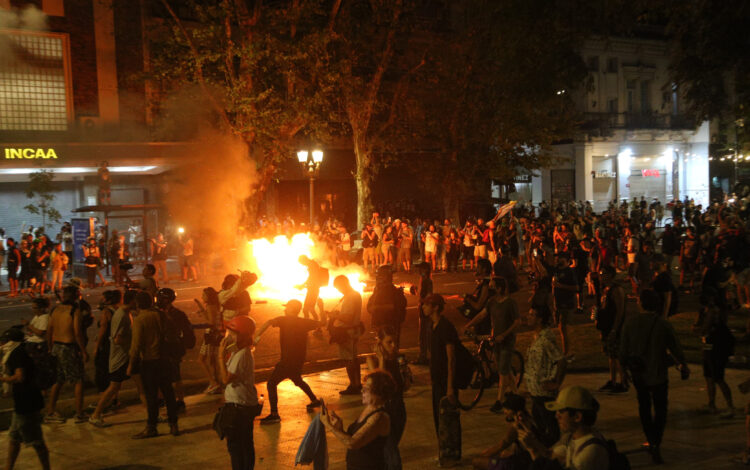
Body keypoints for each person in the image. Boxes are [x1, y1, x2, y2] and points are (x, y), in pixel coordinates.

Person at [619, 289, 689, 464]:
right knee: (660, 408)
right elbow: (675, 347)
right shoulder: (662, 324)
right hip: (658, 372)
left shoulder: (631, 323)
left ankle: (651, 438)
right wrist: (683, 364)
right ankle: (656, 439)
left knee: (644, 406)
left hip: (639, 373)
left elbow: (623, 352)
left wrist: (623, 373)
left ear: (641, 303)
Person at [254, 299, 323, 424]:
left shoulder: (284, 320)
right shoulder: (304, 322)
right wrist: (322, 308)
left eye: (287, 307)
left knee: (271, 384)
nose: (285, 309)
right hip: (298, 359)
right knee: (297, 379)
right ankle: (314, 401)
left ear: (291, 309)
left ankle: (274, 414)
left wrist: (256, 338)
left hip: (287, 360)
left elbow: (268, 322)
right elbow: (322, 323)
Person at [517, 386, 610, 470]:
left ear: (577, 417)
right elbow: (550, 455)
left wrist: (532, 450)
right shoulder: (572, 437)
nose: (556, 416)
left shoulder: (591, 451)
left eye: (561, 411)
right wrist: (532, 439)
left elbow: (544, 464)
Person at [464, 278, 521, 412]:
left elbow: (517, 322)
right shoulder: (492, 302)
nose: (491, 289)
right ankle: (516, 395)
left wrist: (504, 335)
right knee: (504, 369)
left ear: (500, 288)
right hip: (495, 341)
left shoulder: (510, 303)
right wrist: (469, 325)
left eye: (493, 287)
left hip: (507, 342)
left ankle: (499, 400)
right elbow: (482, 315)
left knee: (502, 371)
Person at [128, 291, 179, 438]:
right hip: (164, 360)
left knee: (151, 396)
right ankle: (173, 424)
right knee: (169, 393)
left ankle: (151, 427)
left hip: (149, 362)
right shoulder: (161, 315)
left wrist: (131, 365)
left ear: (138, 304)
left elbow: (136, 345)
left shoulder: (140, 320)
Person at [322, 370, 394, 470]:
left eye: (366, 389)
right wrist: (340, 429)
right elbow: (357, 438)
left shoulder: (379, 417)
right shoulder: (369, 409)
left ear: (379, 392)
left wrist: (328, 425)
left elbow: (353, 443)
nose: (361, 391)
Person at [1, 327, 51, 470]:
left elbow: (19, 377)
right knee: (14, 438)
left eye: (4, 341)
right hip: (23, 401)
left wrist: (3, 379)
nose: (2, 344)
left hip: (27, 403)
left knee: (36, 441)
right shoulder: (18, 351)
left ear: (12, 341)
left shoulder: (16, 354)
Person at [89, 289, 138, 427]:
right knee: (114, 385)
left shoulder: (119, 312)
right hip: (120, 355)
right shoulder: (120, 313)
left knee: (138, 384)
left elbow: (106, 332)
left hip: (120, 353)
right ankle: (97, 413)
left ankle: (153, 416)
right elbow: (116, 338)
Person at [424, 293, 462, 467]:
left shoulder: (446, 327)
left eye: (427, 304)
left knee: (449, 420)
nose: (423, 307)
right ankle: (443, 453)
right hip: (436, 381)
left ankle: (452, 456)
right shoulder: (432, 326)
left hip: (446, 382)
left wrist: (450, 387)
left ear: (436, 307)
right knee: (438, 420)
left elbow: (452, 359)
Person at [219, 315, 259, 470]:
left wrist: (219, 356)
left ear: (240, 335)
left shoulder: (242, 354)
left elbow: (225, 379)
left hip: (240, 407)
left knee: (237, 446)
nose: (227, 336)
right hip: (239, 404)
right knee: (242, 444)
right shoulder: (240, 352)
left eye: (231, 333)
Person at [44, 285, 89, 424]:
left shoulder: (55, 310)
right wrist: (83, 351)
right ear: (76, 296)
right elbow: (77, 333)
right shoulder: (74, 311)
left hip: (56, 347)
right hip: (69, 348)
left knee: (58, 380)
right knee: (78, 380)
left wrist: (50, 348)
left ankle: (51, 411)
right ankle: (79, 413)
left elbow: (49, 330)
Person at [524, 305, 566, 447]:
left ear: (540, 319)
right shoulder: (537, 336)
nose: (528, 317)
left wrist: (556, 383)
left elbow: (560, 359)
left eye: (532, 315)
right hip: (535, 392)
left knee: (550, 428)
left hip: (544, 393)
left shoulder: (546, 338)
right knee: (539, 427)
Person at [366, 326, 407, 470]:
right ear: (380, 343)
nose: (393, 346)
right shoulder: (372, 360)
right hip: (384, 412)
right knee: (392, 455)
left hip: (399, 409)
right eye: (389, 342)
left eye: (394, 342)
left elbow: (406, 385)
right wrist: (382, 359)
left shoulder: (399, 358)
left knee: (390, 449)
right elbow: (380, 385)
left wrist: (405, 374)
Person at [156, 287, 196, 414]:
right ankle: (163, 399)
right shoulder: (159, 313)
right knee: (162, 376)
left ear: (167, 300)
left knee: (175, 376)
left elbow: (187, 331)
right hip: (163, 348)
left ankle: (179, 401)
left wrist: (182, 345)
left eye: (160, 298)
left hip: (172, 349)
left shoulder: (176, 314)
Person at [471, 394, 535, 470]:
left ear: (515, 410)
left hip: (521, 463)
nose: (505, 412)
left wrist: (482, 456)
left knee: (477, 462)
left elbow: (501, 445)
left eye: (507, 410)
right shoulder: (529, 418)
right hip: (526, 458)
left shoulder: (518, 425)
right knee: (503, 454)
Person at [595, 266, 628, 393]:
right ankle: (613, 380)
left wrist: (615, 329)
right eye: (601, 274)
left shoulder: (616, 290)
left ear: (611, 275)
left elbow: (620, 311)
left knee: (617, 355)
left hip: (614, 328)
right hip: (606, 327)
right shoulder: (605, 289)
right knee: (611, 355)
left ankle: (623, 382)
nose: (601, 276)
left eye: (604, 274)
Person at [331, 275, 364, 394]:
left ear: (343, 284)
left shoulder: (350, 297)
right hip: (353, 330)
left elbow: (348, 318)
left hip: (347, 332)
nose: (339, 290)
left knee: (349, 359)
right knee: (354, 358)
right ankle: (357, 383)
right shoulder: (355, 294)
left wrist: (335, 316)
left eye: (338, 287)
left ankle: (353, 385)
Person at [367, 265, 407, 347]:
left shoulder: (392, 291)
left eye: (380, 275)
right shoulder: (379, 290)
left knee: (389, 347)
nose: (378, 278)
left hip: (389, 325)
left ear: (386, 276)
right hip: (380, 324)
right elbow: (370, 305)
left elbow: (393, 307)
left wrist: (376, 308)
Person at [197, 287, 223, 394]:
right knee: (212, 361)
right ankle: (215, 383)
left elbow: (211, 322)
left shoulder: (211, 307)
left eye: (204, 295)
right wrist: (201, 307)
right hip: (212, 335)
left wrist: (202, 313)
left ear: (209, 296)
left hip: (211, 336)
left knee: (202, 360)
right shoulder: (213, 306)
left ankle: (214, 383)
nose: (202, 297)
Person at [552, 254, 578, 356]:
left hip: (567, 302)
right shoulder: (556, 270)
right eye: (557, 258)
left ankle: (566, 352)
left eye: (560, 258)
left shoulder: (570, 272)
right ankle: (564, 350)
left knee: (563, 328)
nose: (558, 259)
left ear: (566, 260)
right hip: (557, 303)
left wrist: (561, 286)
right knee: (559, 327)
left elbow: (576, 288)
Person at [414, 261, 434, 365]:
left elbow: (429, 295)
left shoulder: (427, 281)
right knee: (423, 334)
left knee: (425, 334)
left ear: (425, 270)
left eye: (420, 269)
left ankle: (425, 357)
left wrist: (421, 301)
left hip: (425, 311)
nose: (418, 271)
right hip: (422, 310)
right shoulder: (423, 280)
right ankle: (424, 356)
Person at [297, 255, 327, 322]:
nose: (302, 265)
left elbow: (312, 278)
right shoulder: (312, 264)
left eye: (302, 263)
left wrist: (302, 285)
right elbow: (311, 278)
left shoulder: (312, 265)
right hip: (312, 288)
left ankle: (317, 325)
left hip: (313, 289)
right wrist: (303, 285)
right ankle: (308, 323)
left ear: (304, 260)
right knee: (307, 309)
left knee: (309, 308)